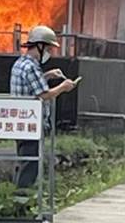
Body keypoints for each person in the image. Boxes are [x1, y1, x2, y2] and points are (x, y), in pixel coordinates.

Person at [10, 25, 77, 188]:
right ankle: (22, 198)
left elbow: (31, 85)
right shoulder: (32, 67)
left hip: (19, 121)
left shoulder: (20, 63)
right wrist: (63, 87)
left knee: (24, 159)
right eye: (48, 48)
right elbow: (43, 94)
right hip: (30, 122)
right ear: (39, 46)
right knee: (30, 164)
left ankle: (17, 197)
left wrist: (47, 75)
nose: (49, 53)